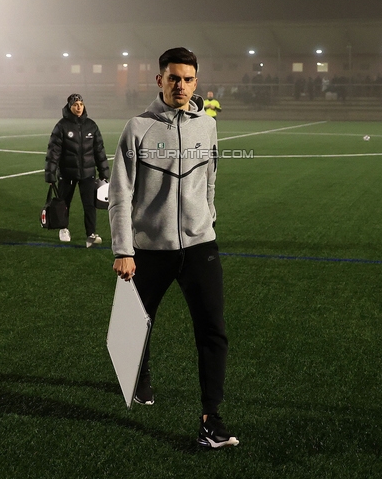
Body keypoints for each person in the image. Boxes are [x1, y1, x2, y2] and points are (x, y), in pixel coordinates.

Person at [109, 47, 238, 449]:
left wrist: (209, 220)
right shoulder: (138, 128)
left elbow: (211, 177)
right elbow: (119, 193)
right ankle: (141, 378)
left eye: (187, 78)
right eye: (173, 77)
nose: (180, 85)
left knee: (213, 330)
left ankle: (210, 420)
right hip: (150, 248)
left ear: (196, 82)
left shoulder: (208, 126)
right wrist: (123, 249)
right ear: (160, 80)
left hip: (201, 245)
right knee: (136, 325)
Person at [44, 93, 110, 247]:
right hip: (67, 174)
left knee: (90, 205)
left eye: (81, 104)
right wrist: (50, 173)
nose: (79, 107)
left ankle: (91, 235)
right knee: (64, 203)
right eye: (75, 105)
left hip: (87, 173)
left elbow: (99, 150)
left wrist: (104, 171)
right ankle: (64, 228)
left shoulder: (91, 126)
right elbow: (53, 151)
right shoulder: (61, 126)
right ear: (69, 107)